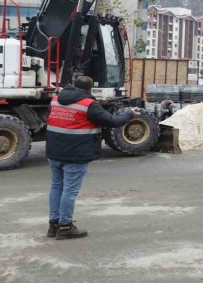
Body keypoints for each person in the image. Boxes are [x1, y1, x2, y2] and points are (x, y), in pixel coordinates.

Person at [45, 76, 142, 240]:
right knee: (69, 191)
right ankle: (65, 226)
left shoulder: (55, 100)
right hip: (76, 154)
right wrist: (129, 113)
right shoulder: (89, 104)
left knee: (56, 188)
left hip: (54, 152)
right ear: (90, 89)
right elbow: (112, 121)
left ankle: (54, 225)